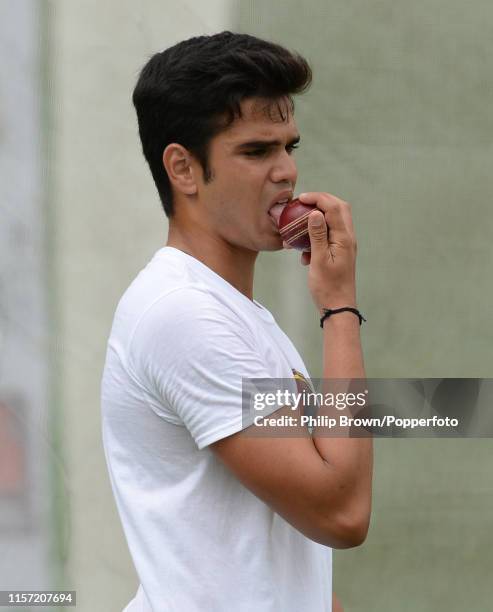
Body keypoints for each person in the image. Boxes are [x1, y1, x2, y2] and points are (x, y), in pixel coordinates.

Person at [101, 31, 372, 612]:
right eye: (256, 152)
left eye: (289, 147)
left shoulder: (232, 314)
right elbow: (343, 513)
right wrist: (340, 308)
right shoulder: (183, 315)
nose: (286, 173)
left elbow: (277, 550)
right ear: (184, 169)